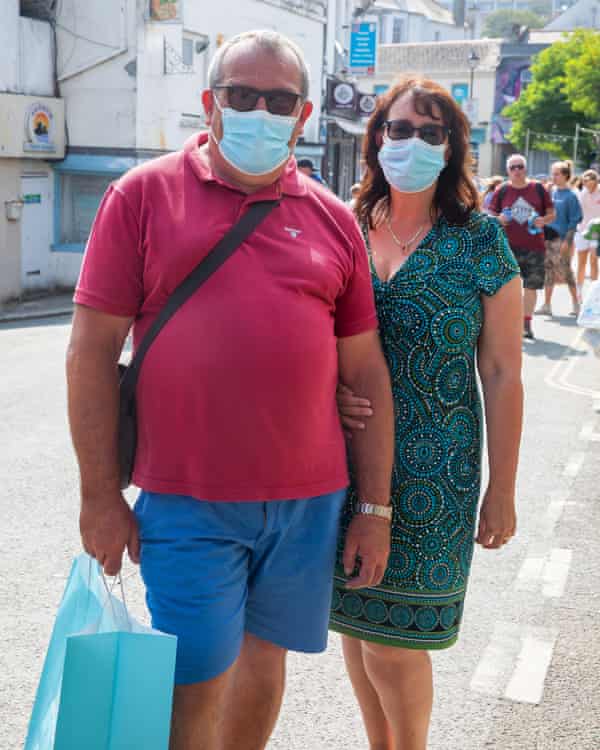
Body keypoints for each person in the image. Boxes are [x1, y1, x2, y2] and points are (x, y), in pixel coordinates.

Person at [66, 30, 394, 750]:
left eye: (278, 100)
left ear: (304, 116)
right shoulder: (141, 196)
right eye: (241, 95)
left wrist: (374, 507)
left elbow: (364, 372)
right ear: (209, 103)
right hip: (188, 500)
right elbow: (90, 352)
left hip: (309, 504)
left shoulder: (334, 220)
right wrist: (99, 495)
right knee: (193, 681)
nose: (259, 111)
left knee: (264, 664)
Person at [330, 76, 524, 750]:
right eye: (399, 128)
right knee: (357, 633)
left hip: (434, 476)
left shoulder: (481, 242)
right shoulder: (345, 228)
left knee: (393, 643)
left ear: (452, 148)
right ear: (376, 137)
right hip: (341, 463)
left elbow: (501, 373)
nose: (411, 142)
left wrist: (502, 490)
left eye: (430, 132)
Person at [488, 154, 555, 339]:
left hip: (535, 247)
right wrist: (500, 219)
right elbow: (490, 216)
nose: (517, 171)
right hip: (507, 247)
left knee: (531, 287)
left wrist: (543, 220)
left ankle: (526, 323)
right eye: (513, 168)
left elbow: (551, 213)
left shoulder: (539, 188)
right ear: (508, 171)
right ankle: (508, 324)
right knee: (508, 288)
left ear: (525, 169)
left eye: (520, 167)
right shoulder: (502, 190)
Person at [535, 160, 582, 317]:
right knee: (549, 271)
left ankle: (576, 304)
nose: (552, 177)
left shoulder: (571, 196)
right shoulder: (551, 192)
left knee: (566, 271)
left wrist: (567, 242)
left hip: (561, 240)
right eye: (552, 173)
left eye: (556, 174)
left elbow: (574, 221)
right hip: (548, 238)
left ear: (565, 176)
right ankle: (547, 305)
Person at [575, 169, 600, 301]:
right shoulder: (582, 193)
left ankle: (594, 294)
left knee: (594, 261)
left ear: (595, 181)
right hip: (582, 230)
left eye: (588, 182)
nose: (586, 185)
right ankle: (579, 294)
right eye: (584, 182)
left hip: (597, 232)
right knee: (581, 262)